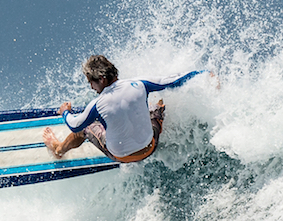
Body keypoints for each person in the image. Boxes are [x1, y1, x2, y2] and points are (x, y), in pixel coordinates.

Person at [43, 55, 210, 163]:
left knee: (85, 129)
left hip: (122, 156)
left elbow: (74, 125)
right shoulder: (140, 84)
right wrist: (203, 73)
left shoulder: (97, 104)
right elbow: (175, 80)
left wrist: (65, 111)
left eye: (90, 82)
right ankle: (158, 121)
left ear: (101, 79)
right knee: (158, 106)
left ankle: (58, 150)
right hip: (151, 146)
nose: (91, 87)